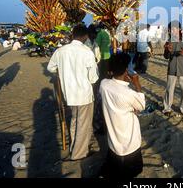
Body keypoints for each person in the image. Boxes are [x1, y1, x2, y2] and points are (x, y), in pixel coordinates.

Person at [47, 24, 98, 161]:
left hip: (68, 95)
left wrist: (63, 69)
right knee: (83, 124)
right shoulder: (87, 51)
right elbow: (93, 78)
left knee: (75, 121)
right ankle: (79, 153)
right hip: (84, 94)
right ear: (85, 36)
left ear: (73, 35)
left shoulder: (61, 51)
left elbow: (50, 68)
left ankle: (74, 147)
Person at [99, 53, 145, 178]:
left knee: (114, 163)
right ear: (126, 71)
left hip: (113, 138)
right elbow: (142, 105)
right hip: (129, 142)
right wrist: (136, 83)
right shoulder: (128, 93)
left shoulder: (103, 84)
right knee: (129, 172)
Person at [162, 21, 183, 117]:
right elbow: (166, 56)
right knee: (170, 89)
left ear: (180, 29)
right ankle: (167, 108)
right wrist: (167, 50)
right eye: (171, 29)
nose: (173, 31)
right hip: (172, 69)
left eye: (175, 29)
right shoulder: (169, 41)